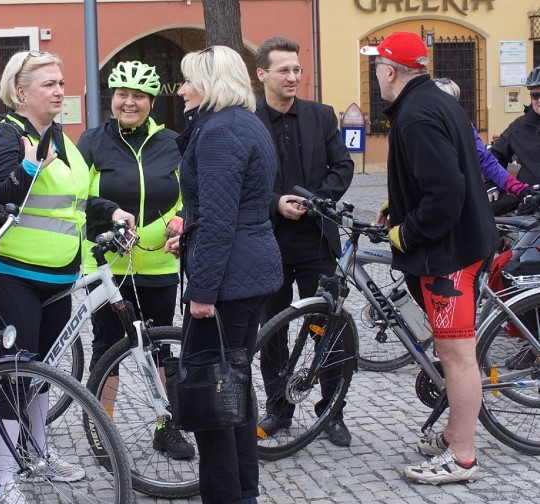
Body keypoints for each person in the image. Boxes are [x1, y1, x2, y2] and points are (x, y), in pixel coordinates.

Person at [0, 50, 135, 503]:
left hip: (59, 274)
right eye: (49, 84)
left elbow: (73, 202)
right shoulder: (4, 137)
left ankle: (38, 454)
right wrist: (25, 167)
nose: (60, 91)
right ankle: (1, 482)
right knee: (13, 376)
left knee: (42, 373)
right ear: (21, 93)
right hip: (11, 273)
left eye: (61, 82)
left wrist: (110, 210)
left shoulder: (59, 137)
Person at [362, 31, 498, 484]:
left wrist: (406, 232)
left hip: (450, 254)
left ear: (391, 71)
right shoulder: (435, 102)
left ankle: (462, 457)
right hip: (458, 245)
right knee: (454, 352)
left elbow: (446, 193)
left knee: (457, 356)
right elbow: (441, 177)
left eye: (377, 66)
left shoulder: (416, 115)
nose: (375, 74)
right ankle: (453, 435)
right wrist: (397, 206)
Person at [165, 45, 283, 504]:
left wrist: (202, 290)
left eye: (188, 80)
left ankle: (227, 496)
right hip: (245, 269)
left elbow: (219, 218)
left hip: (230, 278)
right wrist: (188, 235)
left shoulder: (219, 132)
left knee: (209, 393)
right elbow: (225, 210)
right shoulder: (243, 122)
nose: (182, 89)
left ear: (210, 83)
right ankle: (243, 492)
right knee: (232, 383)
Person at [76, 60, 192, 459]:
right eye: (123, 94)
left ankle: (167, 426)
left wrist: (181, 220)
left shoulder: (172, 143)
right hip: (107, 265)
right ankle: (101, 430)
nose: (130, 102)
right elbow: (77, 197)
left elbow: (189, 194)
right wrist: (109, 213)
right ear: (113, 98)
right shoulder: (91, 143)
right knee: (109, 348)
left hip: (159, 262)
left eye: (138, 95)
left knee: (160, 346)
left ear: (152, 101)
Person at [253, 36, 355, 447]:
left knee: (326, 328)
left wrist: (316, 202)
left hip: (316, 240)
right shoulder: (248, 120)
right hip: (268, 240)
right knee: (272, 330)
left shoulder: (321, 115)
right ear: (262, 74)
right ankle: (279, 408)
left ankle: (331, 410)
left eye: (297, 69)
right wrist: (276, 202)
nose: (293, 76)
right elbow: (244, 181)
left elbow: (343, 167)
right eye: (284, 70)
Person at [432, 77, 530, 206]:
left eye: (454, 102)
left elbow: (485, 160)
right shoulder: (422, 126)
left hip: (455, 196)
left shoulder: (463, 125)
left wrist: (519, 189)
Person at [489, 65, 540, 214]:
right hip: (529, 202)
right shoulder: (520, 126)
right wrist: (493, 185)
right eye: (535, 95)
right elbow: (494, 157)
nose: (539, 100)